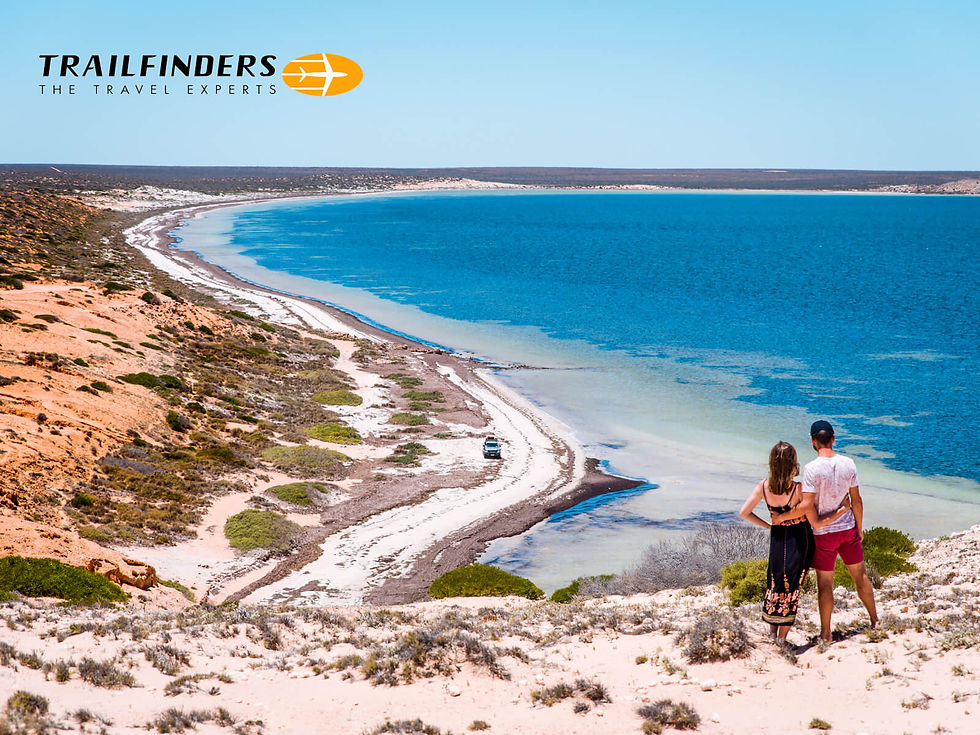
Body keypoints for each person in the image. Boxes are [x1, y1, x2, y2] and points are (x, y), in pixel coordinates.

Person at [739, 441, 850, 642]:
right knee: (793, 587)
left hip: (778, 539)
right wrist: (841, 511)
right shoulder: (799, 490)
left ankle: (773, 634)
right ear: (793, 464)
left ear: (772, 463)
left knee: (776, 583)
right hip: (800, 541)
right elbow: (816, 522)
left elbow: (744, 512)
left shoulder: (763, 487)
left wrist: (768, 525)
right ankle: (782, 638)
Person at [778, 420, 878, 642]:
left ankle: (826, 633)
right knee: (860, 576)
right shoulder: (849, 463)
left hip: (824, 534)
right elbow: (857, 501)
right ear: (834, 438)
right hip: (848, 529)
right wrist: (858, 528)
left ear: (812, 441)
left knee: (825, 583)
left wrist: (783, 516)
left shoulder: (812, 468)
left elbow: (808, 504)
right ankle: (875, 620)